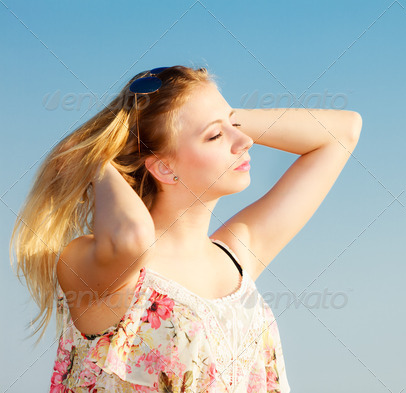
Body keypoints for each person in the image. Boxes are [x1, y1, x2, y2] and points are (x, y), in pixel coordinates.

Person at [9, 65, 362, 392]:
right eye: (214, 137)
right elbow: (133, 238)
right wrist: (95, 158)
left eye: (234, 129)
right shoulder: (99, 264)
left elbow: (343, 132)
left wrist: (220, 116)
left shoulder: (236, 254)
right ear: (164, 168)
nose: (244, 142)